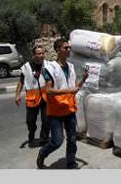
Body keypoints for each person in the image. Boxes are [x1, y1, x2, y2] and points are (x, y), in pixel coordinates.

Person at [36, 39, 88, 169]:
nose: (69, 50)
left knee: (72, 139)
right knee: (57, 141)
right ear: (58, 50)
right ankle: (43, 152)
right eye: (66, 48)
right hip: (56, 111)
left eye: (70, 48)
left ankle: (70, 162)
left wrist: (83, 80)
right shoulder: (49, 68)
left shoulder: (70, 67)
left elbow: (73, 89)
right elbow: (48, 90)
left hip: (69, 109)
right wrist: (69, 90)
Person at [15, 45, 50, 147]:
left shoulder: (48, 65)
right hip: (32, 98)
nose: (42, 55)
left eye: (43, 53)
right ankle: (31, 135)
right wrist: (17, 95)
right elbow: (21, 82)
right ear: (34, 55)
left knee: (46, 120)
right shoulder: (26, 67)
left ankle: (44, 139)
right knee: (30, 121)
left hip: (45, 97)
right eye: (39, 53)